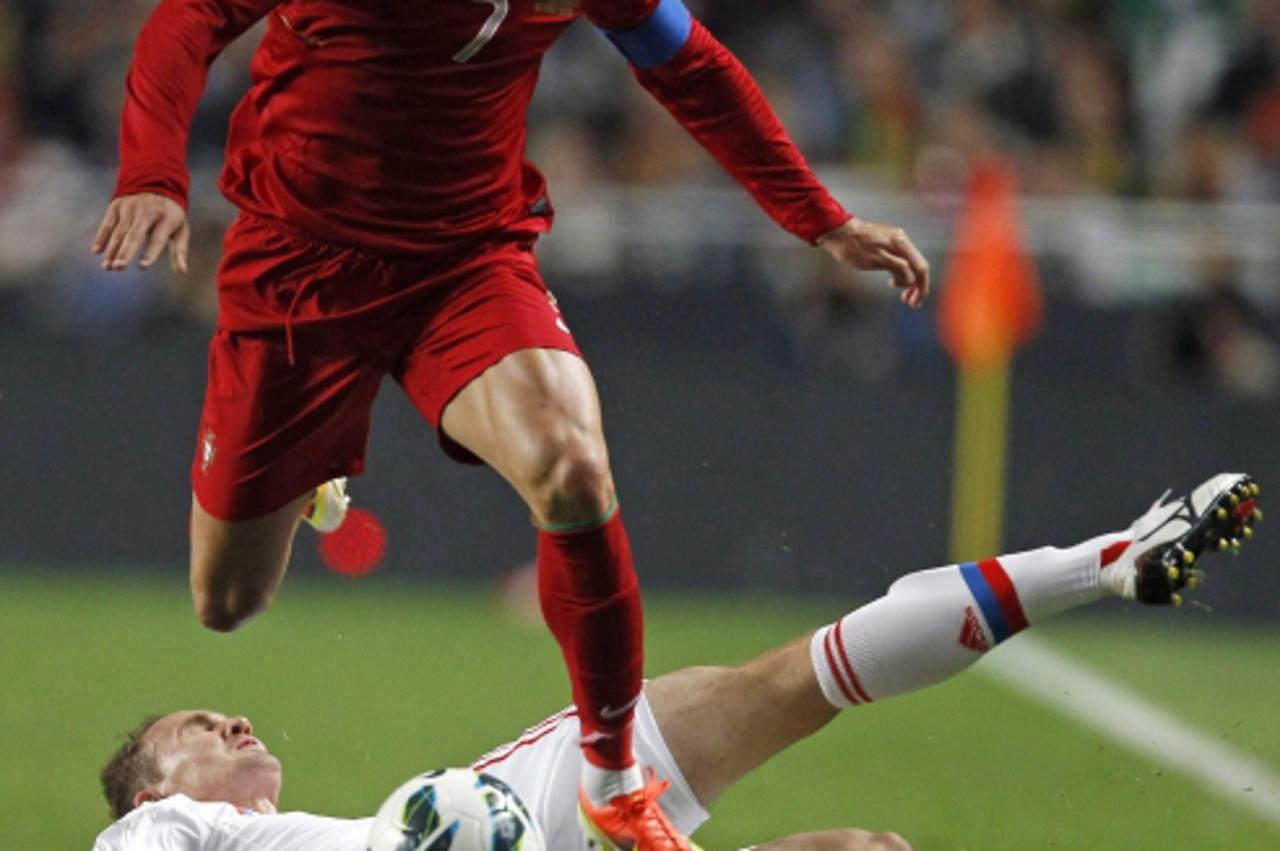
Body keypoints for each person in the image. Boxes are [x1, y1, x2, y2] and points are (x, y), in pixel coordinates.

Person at [92, 4, 930, 847]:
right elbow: (190, 18)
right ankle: (311, 474)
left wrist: (819, 216)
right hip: (299, 263)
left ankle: (615, 778)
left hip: (466, 260)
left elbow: (689, 64)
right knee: (229, 598)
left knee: (571, 466)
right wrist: (152, 172)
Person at [94, 474, 1261, 851]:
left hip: (520, 802)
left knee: (792, 680)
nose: (231, 719)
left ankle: (1103, 559)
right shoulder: (160, 832)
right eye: (198, 723)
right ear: (154, 782)